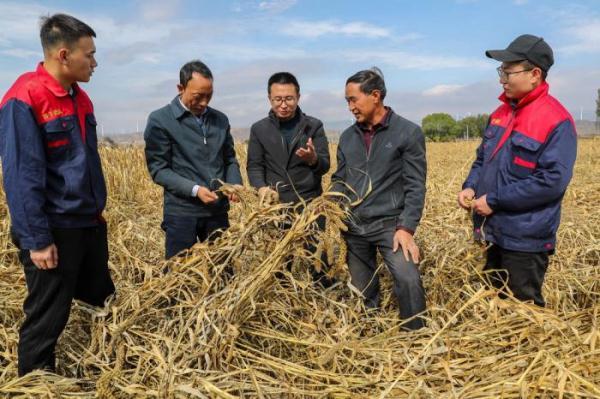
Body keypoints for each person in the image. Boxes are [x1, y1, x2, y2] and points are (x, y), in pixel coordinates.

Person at [0, 14, 115, 376]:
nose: (95, 63)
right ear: (64, 55)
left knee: (100, 301)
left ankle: (95, 371)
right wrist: (37, 240)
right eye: (89, 55)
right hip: (54, 229)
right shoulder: (25, 97)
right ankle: (36, 381)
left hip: (87, 223)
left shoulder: (81, 99)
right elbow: (21, 176)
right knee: (47, 316)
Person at [458, 34, 577, 307]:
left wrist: (494, 200)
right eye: (501, 71)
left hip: (525, 239)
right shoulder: (500, 113)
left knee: (522, 314)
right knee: (493, 306)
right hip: (492, 231)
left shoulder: (556, 120)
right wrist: (471, 186)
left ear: (535, 74)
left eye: (508, 71)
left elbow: (552, 182)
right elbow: (481, 160)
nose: (501, 79)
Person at [332, 67, 427, 330]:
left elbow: (415, 185)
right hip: (355, 226)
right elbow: (340, 179)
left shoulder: (407, 132)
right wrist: (330, 206)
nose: (350, 106)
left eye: (353, 99)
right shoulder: (348, 137)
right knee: (362, 291)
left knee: (408, 279)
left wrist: (406, 228)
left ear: (375, 95)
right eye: (347, 101)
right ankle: (368, 335)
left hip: (390, 226)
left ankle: (415, 336)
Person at [144, 60, 242, 259]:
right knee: (181, 277)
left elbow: (229, 158)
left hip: (217, 212)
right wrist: (195, 190)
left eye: (209, 96)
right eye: (198, 96)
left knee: (221, 271)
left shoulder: (220, 120)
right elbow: (159, 169)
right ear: (181, 88)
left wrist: (234, 183)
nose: (204, 102)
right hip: (182, 213)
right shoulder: (161, 120)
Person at [246, 72, 331, 284]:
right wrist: (262, 188)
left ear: (298, 97)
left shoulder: (313, 126)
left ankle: (323, 299)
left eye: (289, 99)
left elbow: (325, 165)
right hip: (277, 207)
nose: (283, 104)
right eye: (278, 99)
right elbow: (254, 166)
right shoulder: (259, 129)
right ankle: (283, 301)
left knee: (318, 261)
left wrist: (313, 159)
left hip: (310, 204)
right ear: (269, 99)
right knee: (280, 265)